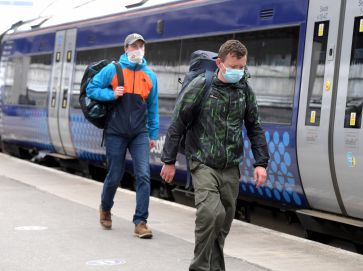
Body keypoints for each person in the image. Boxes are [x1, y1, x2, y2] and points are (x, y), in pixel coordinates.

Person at [160, 40, 269, 270]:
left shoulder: (245, 91)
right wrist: (168, 161)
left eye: (242, 67)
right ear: (220, 63)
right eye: (234, 66)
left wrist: (261, 163)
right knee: (211, 214)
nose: (238, 72)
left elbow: (255, 127)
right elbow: (178, 122)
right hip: (203, 162)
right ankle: (199, 267)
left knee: (223, 224)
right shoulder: (202, 85)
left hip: (230, 167)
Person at [86, 33, 159, 239]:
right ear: (126, 48)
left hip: (139, 133)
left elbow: (152, 108)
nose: (138, 50)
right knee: (115, 174)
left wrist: (152, 134)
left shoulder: (150, 75)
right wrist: (111, 94)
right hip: (115, 132)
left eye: (141, 46)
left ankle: (140, 222)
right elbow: (91, 88)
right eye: (133, 46)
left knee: (144, 174)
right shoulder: (113, 69)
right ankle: (106, 207)